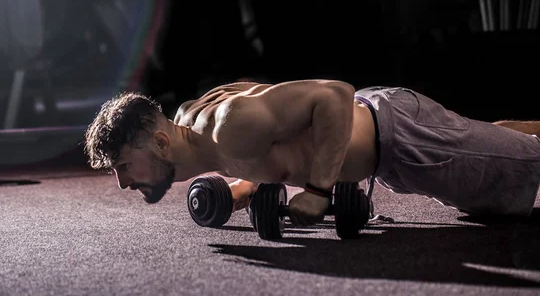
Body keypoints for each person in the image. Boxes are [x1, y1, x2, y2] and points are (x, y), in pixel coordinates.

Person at [84, 79, 540, 226]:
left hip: (403, 138)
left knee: (523, 165)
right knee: (489, 146)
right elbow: (276, 132)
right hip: (393, 142)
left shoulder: (227, 127)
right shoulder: (192, 121)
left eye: (124, 166)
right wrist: (249, 182)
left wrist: (321, 190)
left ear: (161, 141)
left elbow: (333, 96)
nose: (124, 183)